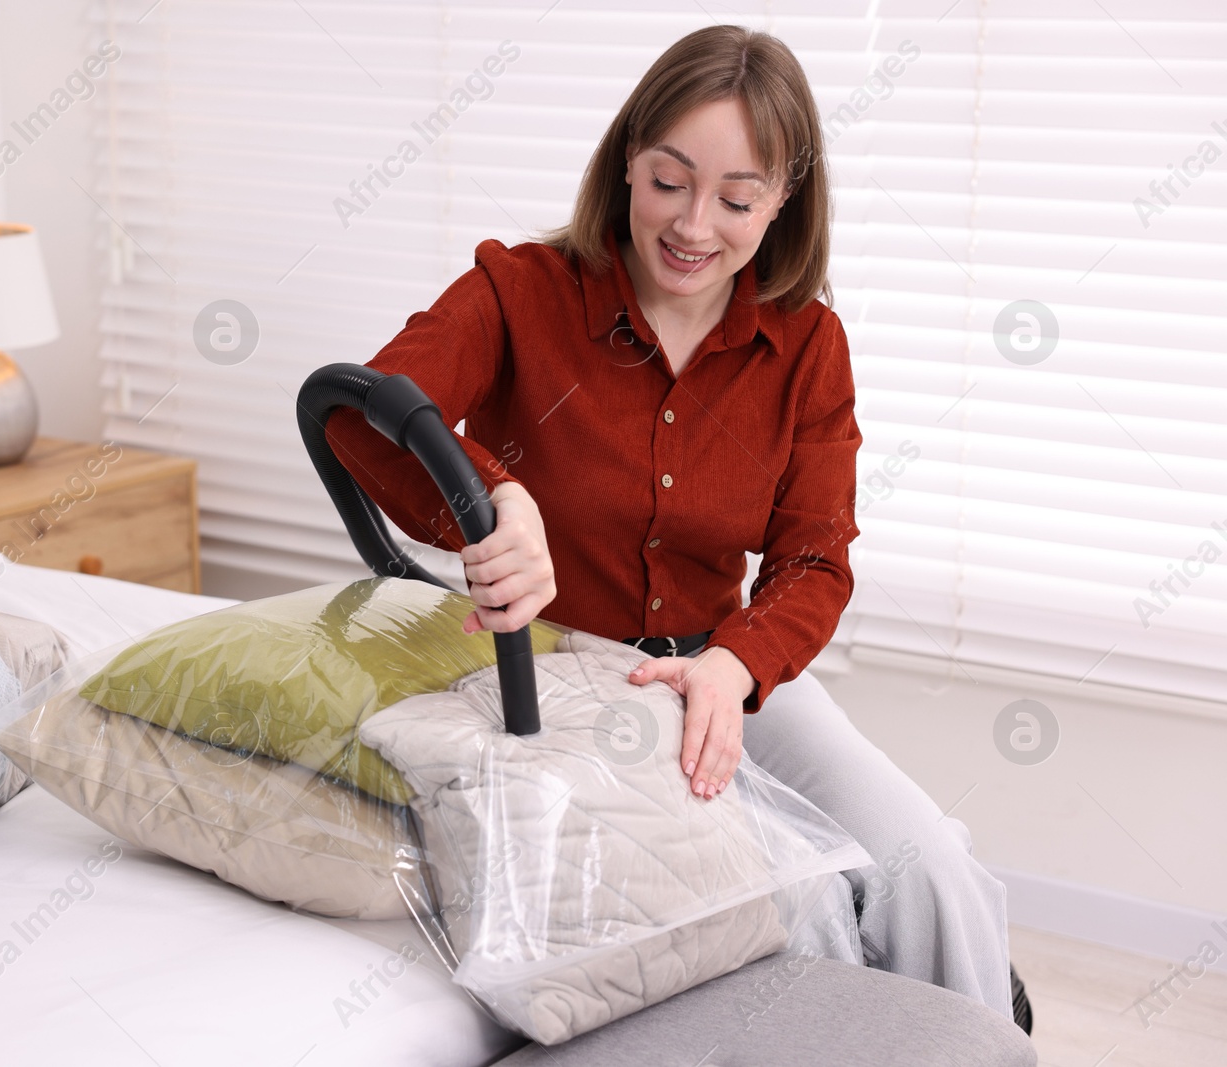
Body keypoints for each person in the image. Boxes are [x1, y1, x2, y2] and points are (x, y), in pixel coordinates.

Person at [324, 24, 1025, 1026]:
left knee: (931, 864)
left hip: (728, 670)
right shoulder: (519, 292)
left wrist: (735, 665)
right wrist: (494, 495)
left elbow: (814, 558)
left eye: (737, 198)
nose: (696, 223)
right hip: (570, 678)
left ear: (782, 202)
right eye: (669, 181)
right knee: (806, 906)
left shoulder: (808, 345)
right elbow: (363, 414)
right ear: (623, 167)